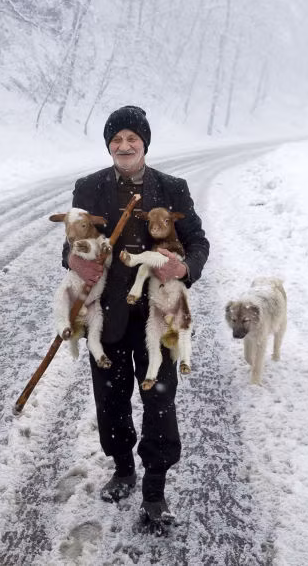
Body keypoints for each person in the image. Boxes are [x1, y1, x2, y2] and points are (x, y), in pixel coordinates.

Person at [62, 105, 210, 532]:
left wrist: (184, 267)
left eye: (132, 138)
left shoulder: (173, 188)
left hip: (158, 317)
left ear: (144, 143)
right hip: (105, 315)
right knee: (110, 402)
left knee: (160, 403)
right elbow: (71, 241)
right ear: (108, 145)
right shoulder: (89, 188)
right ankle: (124, 469)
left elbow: (198, 242)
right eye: (116, 139)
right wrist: (74, 260)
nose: (124, 145)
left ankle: (155, 490)